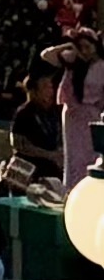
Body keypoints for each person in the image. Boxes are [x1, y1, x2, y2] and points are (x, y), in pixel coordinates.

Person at [43, 26, 104, 194]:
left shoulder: (101, 66)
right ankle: (70, 189)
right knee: (73, 157)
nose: (85, 51)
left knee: (89, 155)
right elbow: (47, 56)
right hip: (72, 114)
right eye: (81, 47)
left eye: (88, 47)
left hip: (91, 115)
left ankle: (89, 191)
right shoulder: (73, 62)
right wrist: (69, 46)